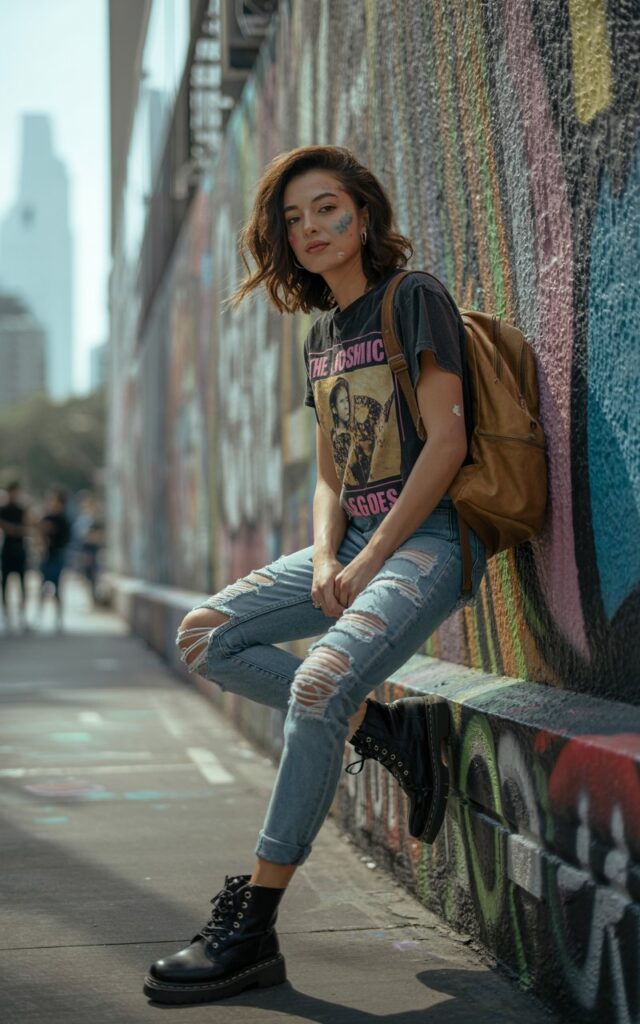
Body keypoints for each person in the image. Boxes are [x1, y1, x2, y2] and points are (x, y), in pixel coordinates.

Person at [143, 145, 486, 1005]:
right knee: (207, 636)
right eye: (294, 221)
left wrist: (370, 561)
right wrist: (330, 555)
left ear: (363, 214)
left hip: (430, 540)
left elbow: (445, 444)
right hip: (358, 540)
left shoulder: (415, 300)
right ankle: (389, 731)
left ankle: (253, 924)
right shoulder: (323, 335)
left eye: (328, 209)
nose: (312, 230)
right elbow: (334, 472)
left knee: (317, 683)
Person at [37, 486, 72, 632]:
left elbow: (66, 539)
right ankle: (38, 618)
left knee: (57, 589)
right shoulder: (46, 517)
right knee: (43, 588)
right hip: (47, 555)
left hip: (57, 555)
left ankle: (58, 620)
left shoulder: (64, 520)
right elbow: (38, 535)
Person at [0, 480, 30, 630]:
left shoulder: (21, 510)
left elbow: (27, 527)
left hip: (19, 550)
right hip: (7, 551)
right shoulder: (3, 509)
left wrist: (13, 528)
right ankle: (6, 615)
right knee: (5, 584)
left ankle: (22, 615)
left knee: (22, 585)